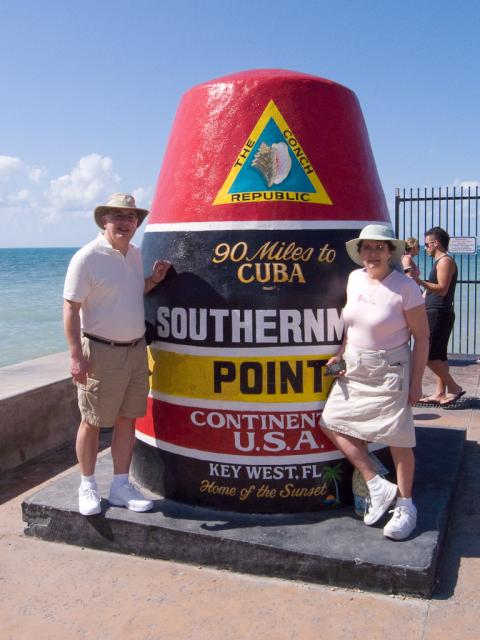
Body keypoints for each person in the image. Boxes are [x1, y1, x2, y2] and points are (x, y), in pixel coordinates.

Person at [63, 193, 171, 516]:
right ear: (104, 222)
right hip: (100, 352)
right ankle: (87, 485)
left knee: (127, 420)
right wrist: (75, 355)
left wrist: (154, 280)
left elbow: (129, 290)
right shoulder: (87, 257)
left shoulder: (135, 256)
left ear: (136, 223)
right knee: (92, 421)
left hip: (136, 351)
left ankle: (121, 485)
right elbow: (70, 307)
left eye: (130, 217)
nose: (124, 223)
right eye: (117, 217)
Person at [320, 224, 429, 540]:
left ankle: (407, 506)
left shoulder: (405, 287)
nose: (373, 253)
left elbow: (422, 338)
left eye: (379, 248)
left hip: (390, 369)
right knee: (330, 421)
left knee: (399, 439)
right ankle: (376, 482)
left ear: (391, 252)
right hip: (354, 369)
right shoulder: (355, 279)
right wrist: (339, 354)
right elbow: (350, 327)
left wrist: (417, 382)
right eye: (367, 247)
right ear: (360, 252)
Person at [414, 226, 465, 407]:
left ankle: (454, 387)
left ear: (436, 243)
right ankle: (439, 393)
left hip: (440, 312)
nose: (425, 248)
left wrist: (418, 281)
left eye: (427, 244)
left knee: (428, 356)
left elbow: (442, 289)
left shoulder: (445, 262)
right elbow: (427, 293)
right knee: (440, 357)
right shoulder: (439, 262)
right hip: (435, 311)